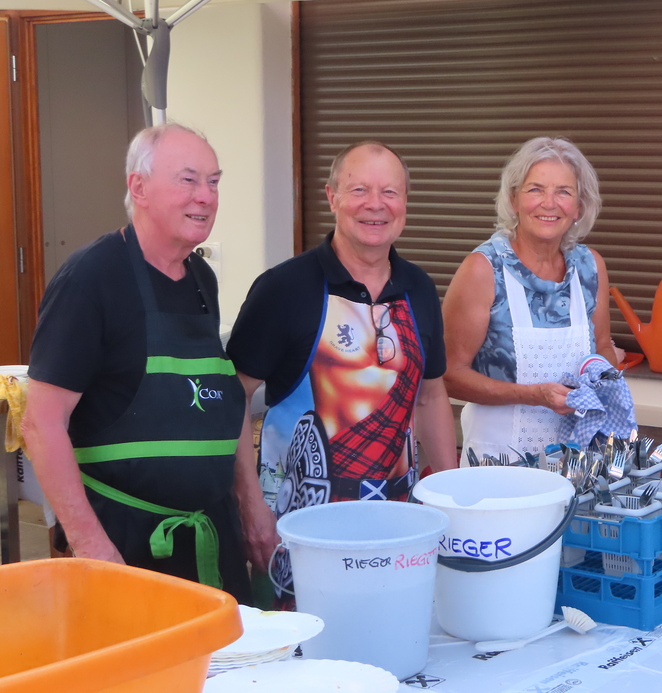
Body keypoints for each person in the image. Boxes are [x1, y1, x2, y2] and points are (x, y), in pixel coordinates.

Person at [21, 123, 257, 602]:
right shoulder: (90, 277)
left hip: (210, 538)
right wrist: (92, 547)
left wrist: (249, 502)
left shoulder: (201, 277)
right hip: (124, 545)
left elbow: (217, 401)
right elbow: (41, 424)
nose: (206, 196)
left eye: (213, 182)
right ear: (139, 187)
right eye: (188, 180)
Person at [226, 141, 458, 585]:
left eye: (390, 192)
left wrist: (452, 497)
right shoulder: (283, 289)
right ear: (332, 197)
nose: (375, 205)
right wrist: (249, 504)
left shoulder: (419, 288)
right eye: (359, 190)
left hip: (399, 527)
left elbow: (430, 397)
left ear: (405, 203)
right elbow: (234, 395)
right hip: (299, 530)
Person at [443, 137, 617, 464]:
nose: (549, 203)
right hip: (497, 463)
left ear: (579, 206)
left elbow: (604, 346)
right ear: (514, 200)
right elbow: (449, 375)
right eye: (536, 189)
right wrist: (533, 395)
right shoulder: (483, 269)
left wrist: (603, 381)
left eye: (563, 192)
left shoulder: (590, 267)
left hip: (577, 462)